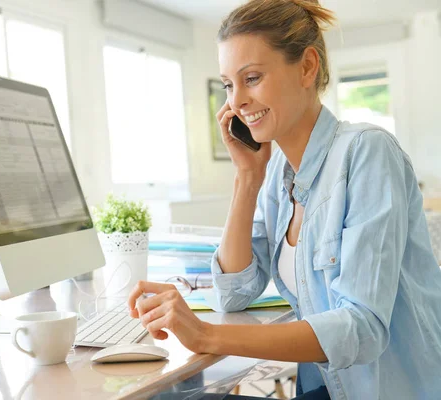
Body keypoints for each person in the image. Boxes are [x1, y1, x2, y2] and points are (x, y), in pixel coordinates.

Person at [127, 0, 441, 399]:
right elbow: (233, 292)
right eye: (228, 84)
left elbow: (361, 328)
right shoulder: (278, 174)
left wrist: (207, 335)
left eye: (252, 77)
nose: (236, 101)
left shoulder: (367, 152)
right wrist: (248, 177)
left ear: (308, 67)